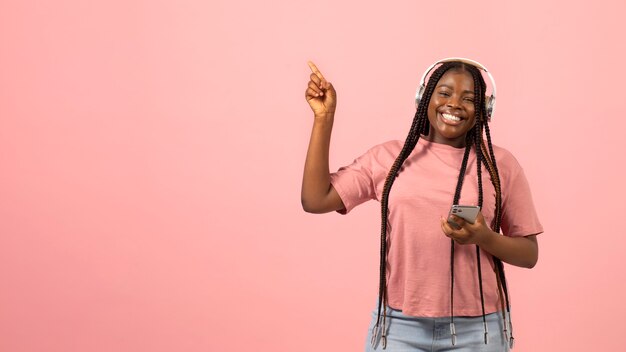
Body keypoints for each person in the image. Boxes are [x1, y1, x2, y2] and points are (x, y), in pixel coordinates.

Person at [301, 59, 543, 351]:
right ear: (423, 97)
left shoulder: (500, 165)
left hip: (479, 329)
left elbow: (529, 254)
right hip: (398, 326)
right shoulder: (388, 158)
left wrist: (484, 238)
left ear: (484, 110)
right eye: (444, 93)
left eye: (469, 99)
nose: (454, 104)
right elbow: (315, 200)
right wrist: (323, 119)